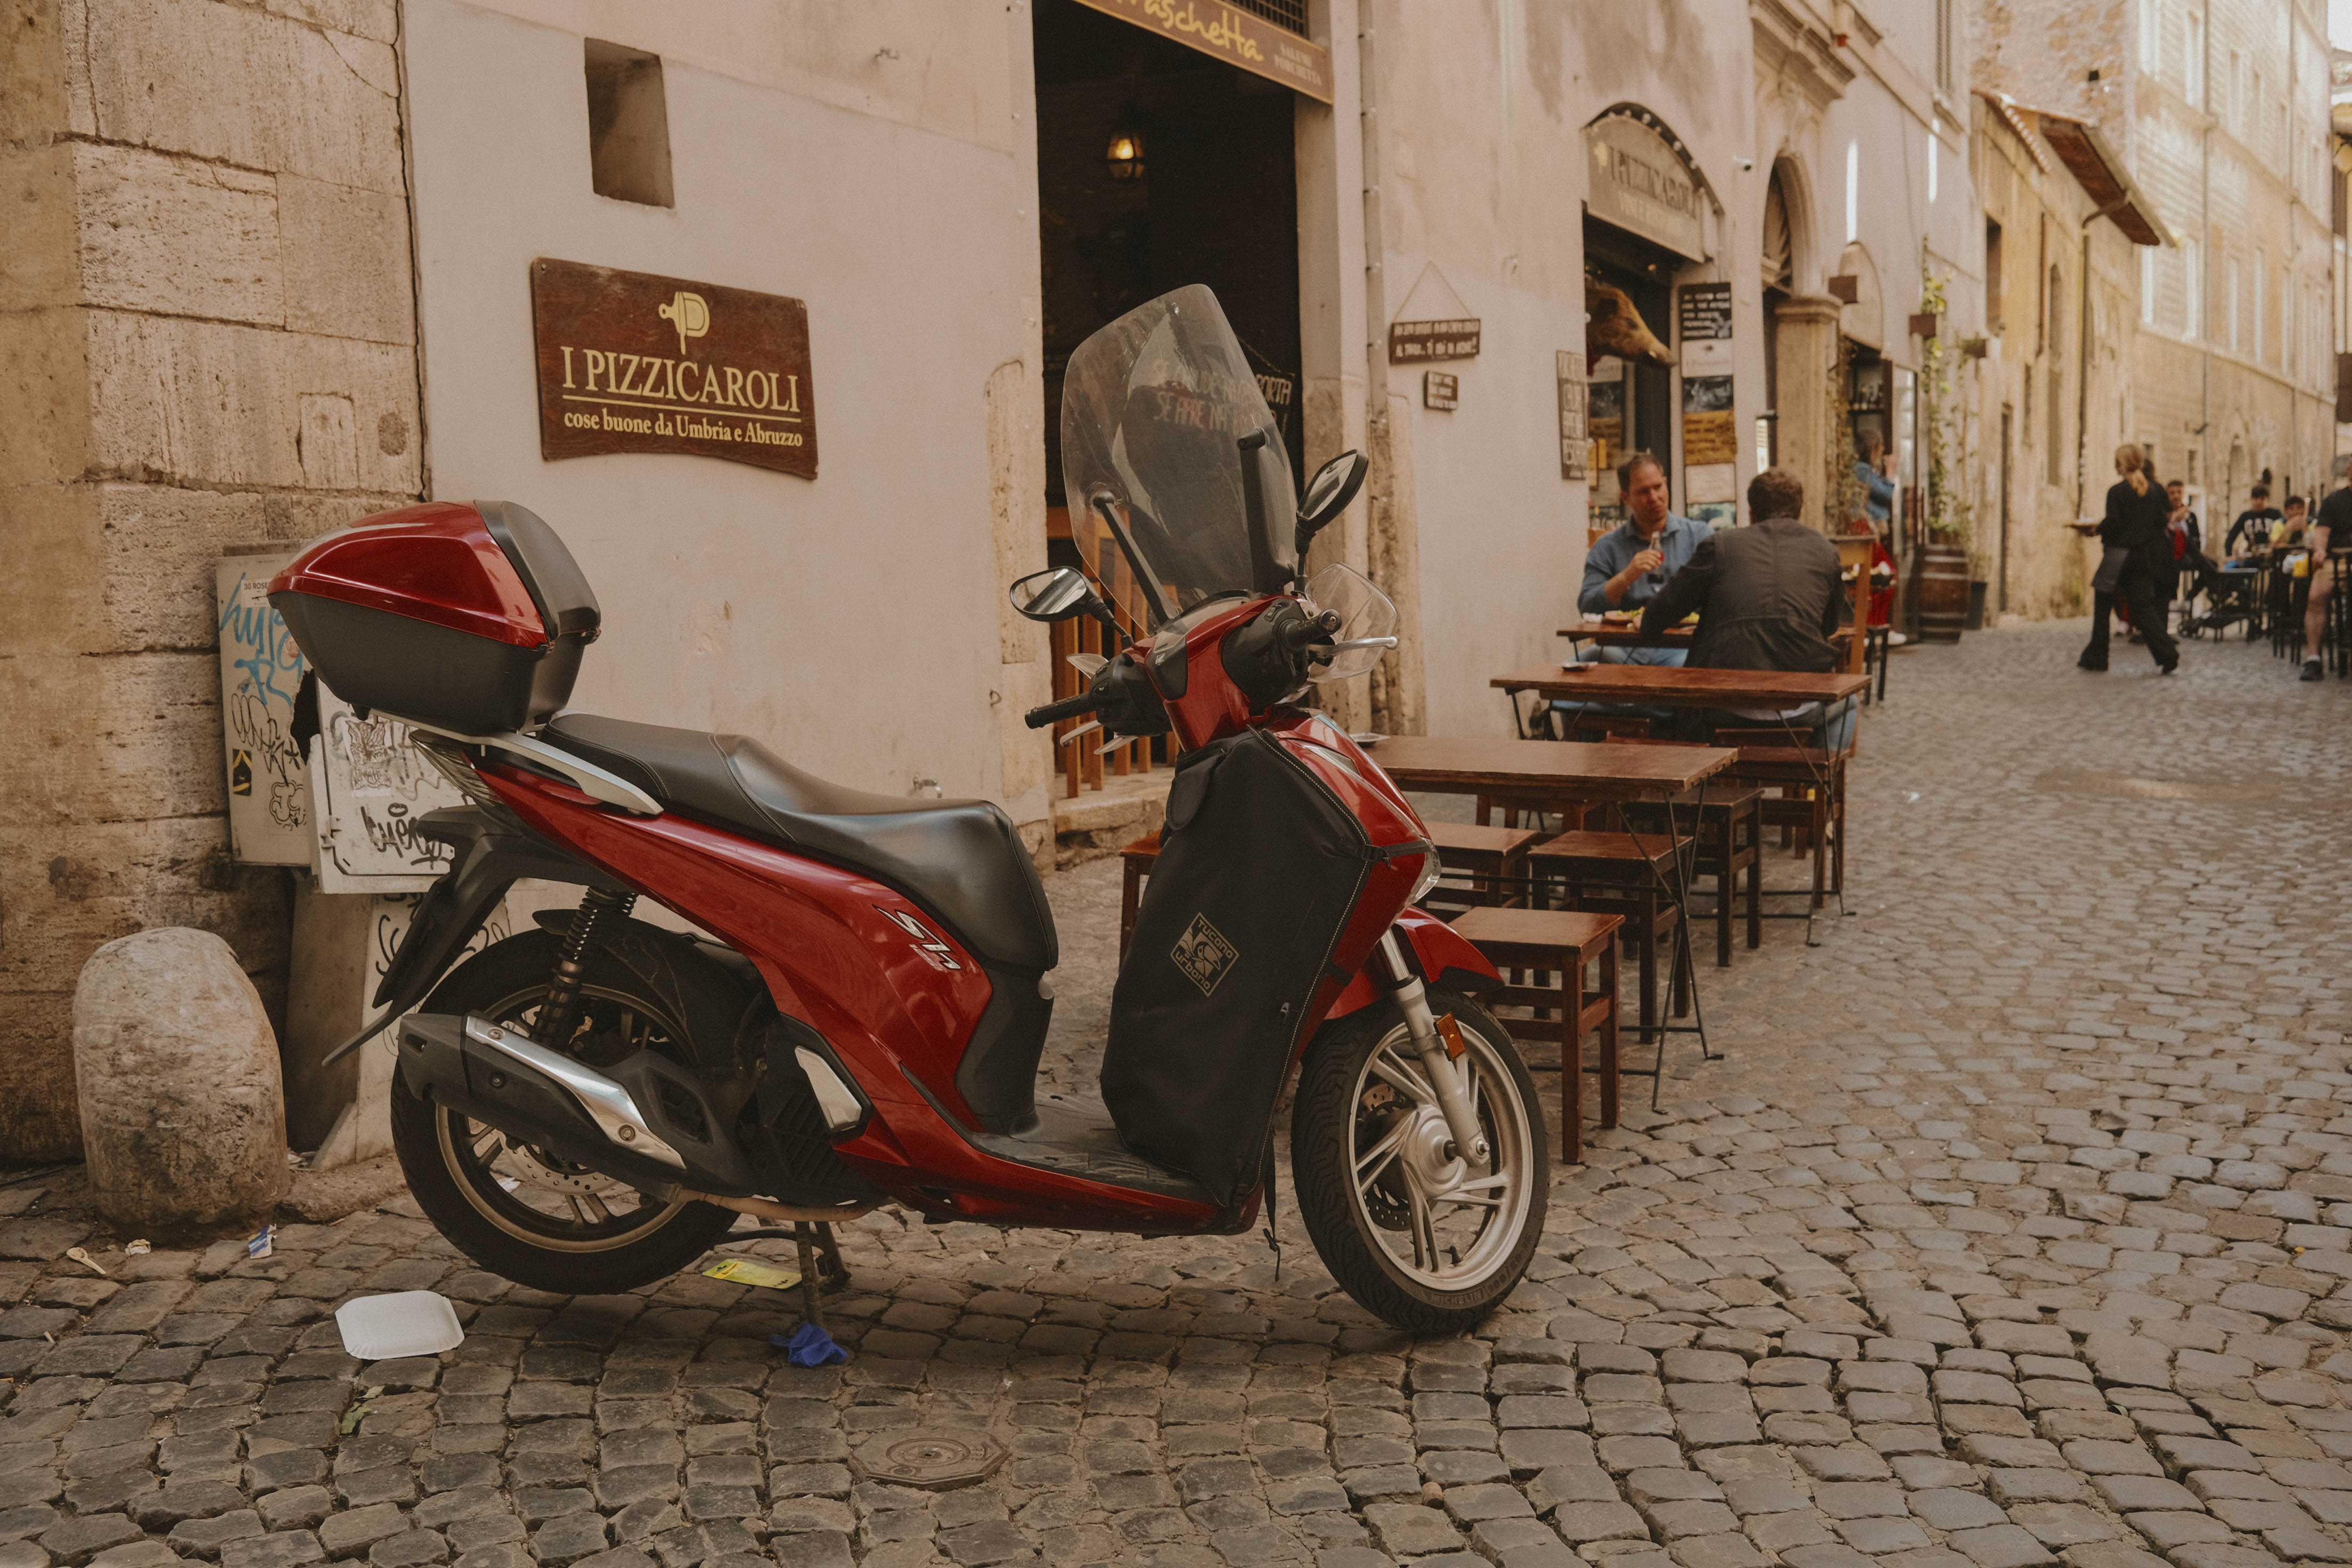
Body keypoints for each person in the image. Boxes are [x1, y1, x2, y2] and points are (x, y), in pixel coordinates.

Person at [1639, 466, 1855, 746]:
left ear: (1751, 513)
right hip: (1799, 710)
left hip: (1721, 709)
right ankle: (1818, 777)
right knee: (1849, 702)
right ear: (1800, 512)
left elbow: (1656, 618)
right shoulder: (1826, 552)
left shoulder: (1719, 546)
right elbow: (1829, 626)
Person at [1577, 451, 1708, 666]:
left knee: (1685, 669)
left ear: (1666, 483)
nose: (1654, 497)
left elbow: (1720, 596)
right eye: (1643, 492)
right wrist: (1627, 576)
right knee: (1570, 676)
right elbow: (1587, 606)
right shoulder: (1608, 546)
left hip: (1682, 647)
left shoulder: (1698, 537)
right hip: (1623, 648)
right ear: (1626, 498)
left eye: (1658, 487)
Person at [2079, 443, 2178, 675]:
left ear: (2121, 464)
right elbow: (2161, 522)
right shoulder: (2155, 491)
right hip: (2142, 556)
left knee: (2103, 604)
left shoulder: (2117, 492)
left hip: (2117, 557)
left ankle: (2098, 656)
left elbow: (2113, 523)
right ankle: (2167, 653)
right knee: (2142, 607)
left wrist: (2096, 530)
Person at [2299, 479, 2348, 680]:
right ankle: (2313, 658)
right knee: (2316, 596)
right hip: (2339, 560)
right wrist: (2320, 551)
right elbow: (2321, 533)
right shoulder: (2334, 501)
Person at [2224, 481, 2282, 559]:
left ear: (2267, 499)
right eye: (2256, 499)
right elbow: (2231, 537)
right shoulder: (2245, 516)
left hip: (2273, 554)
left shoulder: (2275, 514)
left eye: (2262, 499)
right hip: (2252, 555)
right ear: (2251, 499)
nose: (2259, 502)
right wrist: (2229, 556)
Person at [1855, 432, 1895, 529]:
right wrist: (1890, 470)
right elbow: (1886, 493)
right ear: (1872, 450)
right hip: (1871, 522)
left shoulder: (1866, 470)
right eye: (1880, 446)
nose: (1883, 449)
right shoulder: (1863, 471)